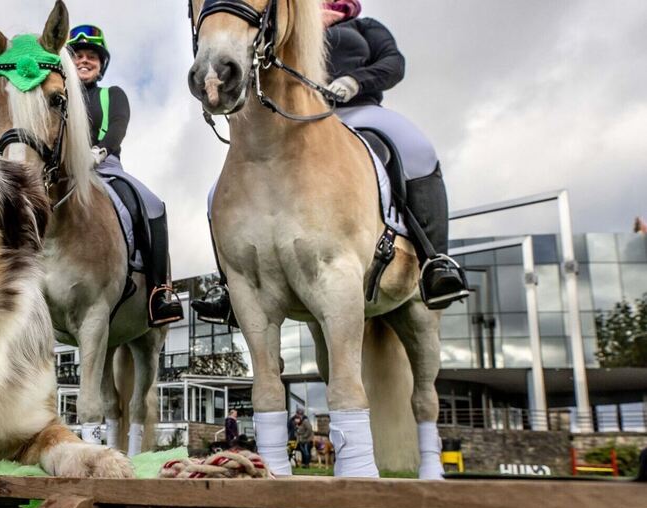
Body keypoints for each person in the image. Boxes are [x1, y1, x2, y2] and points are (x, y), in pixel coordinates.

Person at [191, 1, 470, 323]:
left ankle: (434, 261)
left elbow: (393, 63)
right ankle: (230, 285)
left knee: (416, 149)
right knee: (219, 192)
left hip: (358, 111)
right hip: (296, 121)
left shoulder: (364, 27)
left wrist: (355, 82)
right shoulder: (280, 24)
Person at [66, 24, 183, 327]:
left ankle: (159, 291)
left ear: (101, 64)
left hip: (104, 167)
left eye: (92, 55)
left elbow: (117, 128)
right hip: (64, 172)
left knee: (153, 205)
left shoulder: (111, 94)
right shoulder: (59, 99)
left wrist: (98, 152)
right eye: (77, 55)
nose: (84, 60)